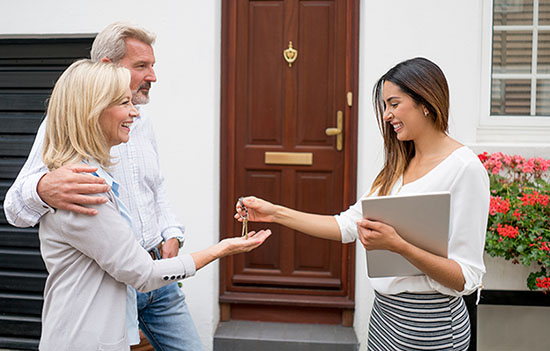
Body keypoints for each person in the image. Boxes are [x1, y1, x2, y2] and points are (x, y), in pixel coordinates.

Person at [235, 57, 489, 351]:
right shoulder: (398, 165)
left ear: (426, 102)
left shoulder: (464, 169)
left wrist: (399, 246)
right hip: (384, 317)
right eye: (384, 106)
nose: (386, 115)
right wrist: (275, 213)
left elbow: (466, 278)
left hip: (429, 325)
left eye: (394, 104)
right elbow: (346, 225)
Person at [37, 59, 271, 351]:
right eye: (124, 103)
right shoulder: (82, 189)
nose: (134, 112)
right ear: (92, 112)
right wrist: (224, 248)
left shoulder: (91, 174)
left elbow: (156, 185)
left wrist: (170, 230)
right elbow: (144, 274)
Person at [3, 22, 204, 350]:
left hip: (160, 276)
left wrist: (172, 232)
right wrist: (40, 187)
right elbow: (14, 207)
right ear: (108, 68)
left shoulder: (141, 120)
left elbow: (156, 187)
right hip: (115, 283)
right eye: (141, 66)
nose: (152, 76)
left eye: (153, 66)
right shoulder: (64, 126)